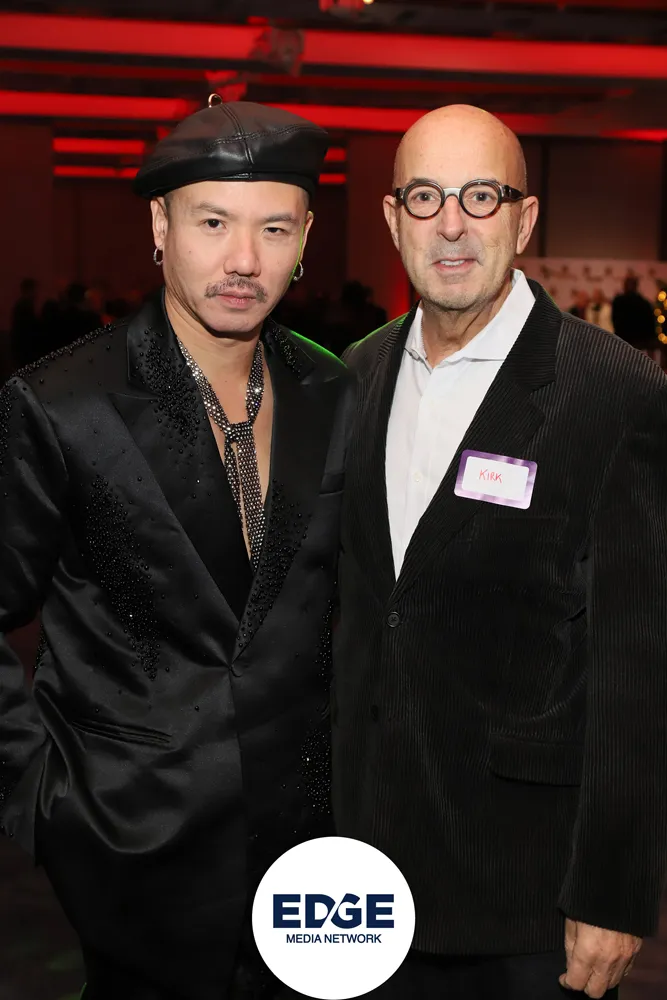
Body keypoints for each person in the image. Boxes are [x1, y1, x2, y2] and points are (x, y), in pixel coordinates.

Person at [0, 99, 349, 1000]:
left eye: (274, 229)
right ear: (160, 227)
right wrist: (44, 800)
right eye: (213, 223)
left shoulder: (333, 390)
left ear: (305, 239)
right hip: (133, 844)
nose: (244, 261)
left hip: (310, 853)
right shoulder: (63, 402)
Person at [332, 104, 667, 1000]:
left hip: (524, 891)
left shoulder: (612, 392)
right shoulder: (354, 376)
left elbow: (637, 664)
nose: (450, 224)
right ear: (391, 219)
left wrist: (613, 890)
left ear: (523, 220)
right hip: (360, 871)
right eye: (425, 197)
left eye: (480, 196)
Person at [612, 275, 657, 351]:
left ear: (624, 286)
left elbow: (615, 321)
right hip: (640, 342)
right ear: (636, 286)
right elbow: (650, 325)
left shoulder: (618, 301)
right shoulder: (644, 303)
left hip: (623, 341)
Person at [9, 277, 42, 369]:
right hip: (25, 348)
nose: (36, 293)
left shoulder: (22, 305)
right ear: (29, 290)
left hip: (21, 347)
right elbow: (29, 328)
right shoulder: (25, 306)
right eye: (35, 290)